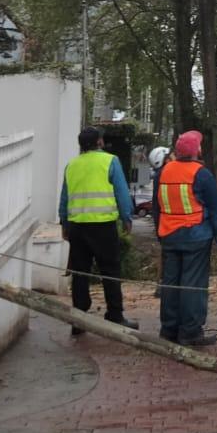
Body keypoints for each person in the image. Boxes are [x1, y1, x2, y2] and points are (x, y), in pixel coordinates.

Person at [153, 129, 217, 347]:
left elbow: (156, 207)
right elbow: (216, 210)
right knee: (192, 285)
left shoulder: (163, 172)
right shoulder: (201, 174)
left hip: (169, 235)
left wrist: (160, 234)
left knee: (171, 284)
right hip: (196, 237)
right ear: (195, 150)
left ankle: (168, 330)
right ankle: (190, 332)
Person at [59, 126, 137, 335]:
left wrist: (64, 224)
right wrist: (126, 217)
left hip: (77, 227)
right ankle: (114, 314)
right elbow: (121, 191)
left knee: (80, 273)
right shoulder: (110, 161)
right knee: (110, 271)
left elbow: (65, 197)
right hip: (103, 226)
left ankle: (79, 318)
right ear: (100, 142)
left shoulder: (71, 165)